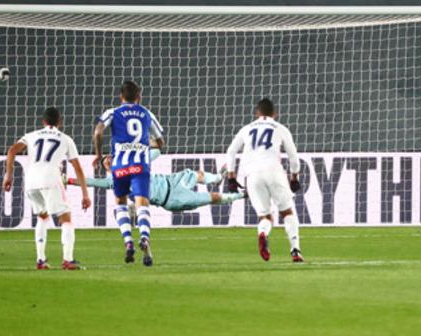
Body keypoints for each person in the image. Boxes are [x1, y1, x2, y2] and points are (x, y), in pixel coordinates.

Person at [3, 107, 91, 270]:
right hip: (51, 178)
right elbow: (77, 167)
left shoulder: (31, 135)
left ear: (43, 122)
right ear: (60, 122)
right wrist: (85, 194)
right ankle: (68, 259)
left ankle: (41, 260)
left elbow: (12, 151)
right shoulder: (66, 139)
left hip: (31, 181)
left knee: (42, 217)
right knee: (66, 219)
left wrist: (8, 175)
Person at [93, 81, 164, 266]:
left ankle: (128, 241)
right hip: (140, 165)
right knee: (142, 204)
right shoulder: (147, 113)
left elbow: (98, 133)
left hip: (120, 166)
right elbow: (160, 142)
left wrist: (99, 155)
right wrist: (145, 144)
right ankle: (144, 237)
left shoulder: (112, 112)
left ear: (120, 96)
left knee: (121, 203)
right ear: (139, 96)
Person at [225, 98, 303, 263]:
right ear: (275, 113)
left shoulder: (246, 129)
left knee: (265, 216)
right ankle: (295, 250)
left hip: (252, 175)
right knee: (287, 212)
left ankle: (263, 233)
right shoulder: (280, 128)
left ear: (257, 113)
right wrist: (294, 177)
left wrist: (231, 177)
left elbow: (231, 151)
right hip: (274, 172)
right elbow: (293, 156)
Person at [68, 153, 244, 211]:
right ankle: (241, 195)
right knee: (212, 197)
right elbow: (91, 182)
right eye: (106, 163)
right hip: (172, 199)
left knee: (196, 174)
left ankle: (218, 178)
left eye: (109, 157)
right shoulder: (113, 180)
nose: (109, 160)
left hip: (171, 180)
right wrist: (68, 180)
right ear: (107, 170)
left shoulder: (133, 163)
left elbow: (156, 152)